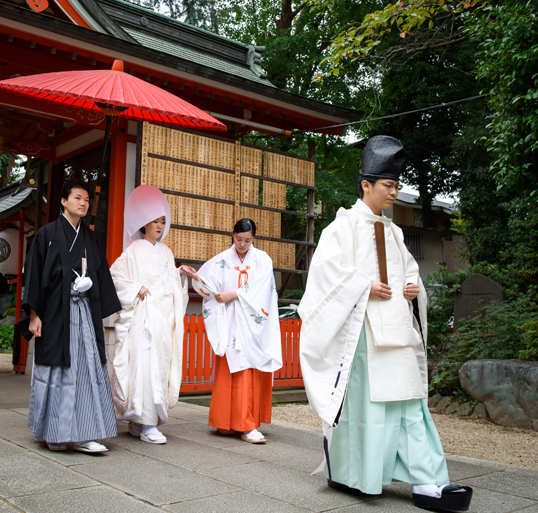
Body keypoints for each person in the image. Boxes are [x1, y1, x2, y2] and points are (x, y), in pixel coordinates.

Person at [297, 136, 473, 511]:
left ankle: (429, 481)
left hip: (397, 329)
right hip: (364, 333)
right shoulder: (340, 228)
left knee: (411, 404)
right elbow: (326, 277)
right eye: (387, 185)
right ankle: (357, 475)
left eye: (396, 186)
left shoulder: (395, 232)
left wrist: (414, 287)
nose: (394, 192)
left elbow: (409, 270)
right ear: (366, 185)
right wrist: (362, 286)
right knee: (370, 407)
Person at [18, 178, 120, 454]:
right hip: (54, 313)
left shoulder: (90, 238)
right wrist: (34, 315)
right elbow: (36, 275)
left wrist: (90, 286)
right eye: (77, 198)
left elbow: (100, 275)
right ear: (63, 201)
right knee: (57, 372)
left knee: (86, 370)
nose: (83, 203)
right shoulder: (47, 234)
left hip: (84, 313)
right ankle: (54, 431)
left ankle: (85, 433)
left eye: (86, 199)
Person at [183, 218, 282, 444]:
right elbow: (208, 284)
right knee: (230, 368)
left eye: (248, 240)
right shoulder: (222, 260)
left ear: (254, 238)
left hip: (251, 325)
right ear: (232, 235)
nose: (243, 244)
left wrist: (234, 294)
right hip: (230, 321)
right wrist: (197, 277)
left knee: (247, 369)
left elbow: (263, 289)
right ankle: (225, 422)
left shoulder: (262, 260)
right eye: (239, 239)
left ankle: (247, 425)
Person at [109, 185, 195, 444]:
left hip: (162, 319)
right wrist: (136, 288)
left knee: (158, 367)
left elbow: (167, 281)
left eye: (162, 221)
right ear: (143, 224)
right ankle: (145, 423)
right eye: (154, 221)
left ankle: (141, 420)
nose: (158, 226)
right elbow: (115, 276)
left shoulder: (167, 252)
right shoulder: (133, 250)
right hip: (142, 319)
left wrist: (179, 275)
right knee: (143, 367)